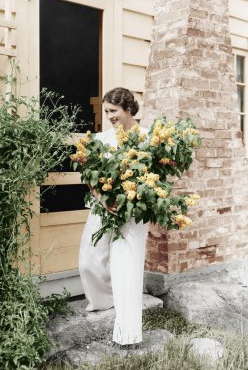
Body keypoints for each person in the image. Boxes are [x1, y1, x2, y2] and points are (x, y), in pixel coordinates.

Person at [79, 87, 149, 346]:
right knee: (89, 258)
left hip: (132, 213)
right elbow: (89, 173)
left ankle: (128, 334)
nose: (108, 116)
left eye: (113, 111)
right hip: (102, 206)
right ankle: (104, 301)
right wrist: (101, 198)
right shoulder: (102, 139)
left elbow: (156, 180)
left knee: (127, 269)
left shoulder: (148, 138)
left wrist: (131, 200)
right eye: (106, 111)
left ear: (129, 109)